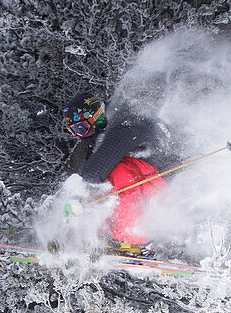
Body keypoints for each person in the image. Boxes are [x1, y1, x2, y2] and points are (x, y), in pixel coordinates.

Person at [62, 92, 175, 253]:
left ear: (97, 117)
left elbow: (95, 171)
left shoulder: (126, 123)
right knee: (102, 184)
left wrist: (80, 196)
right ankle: (101, 236)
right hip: (154, 188)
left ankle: (136, 238)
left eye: (81, 128)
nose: (80, 135)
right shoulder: (107, 132)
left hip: (169, 188)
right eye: (73, 131)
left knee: (117, 172)